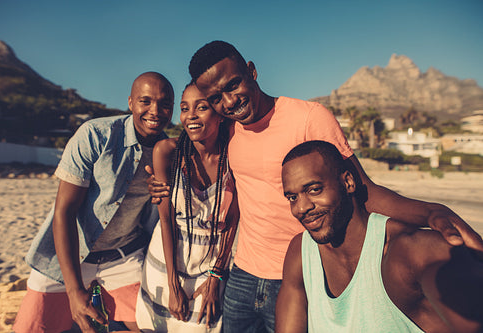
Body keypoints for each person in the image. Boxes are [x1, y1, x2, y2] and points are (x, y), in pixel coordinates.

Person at [147, 41, 483, 333]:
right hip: (243, 274)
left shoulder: (309, 117)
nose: (229, 102)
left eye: (233, 85)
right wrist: (159, 183)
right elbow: (195, 151)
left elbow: (362, 188)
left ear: (251, 71)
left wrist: (432, 212)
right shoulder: (230, 129)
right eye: (215, 98)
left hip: (299, 273)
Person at [13, 72, 174, 333]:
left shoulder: (168, 152)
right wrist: (75, 289)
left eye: (165, 103)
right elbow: (64, 212)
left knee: (151, 327)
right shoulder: (95, 135)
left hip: (124, 257)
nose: (155, 111)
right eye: (146, 101)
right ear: (131, 102)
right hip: (69, 255)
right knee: (31, 327)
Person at [276, 140, 483, 332]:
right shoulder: (301, 254)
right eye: (292, 197)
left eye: (314, 189)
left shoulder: (407, 249)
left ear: (348, 182)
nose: (301, 208)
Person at [135, 83, 239, 332]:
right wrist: (172, 285)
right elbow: (166, 220)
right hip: (166, 262)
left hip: (211, 263)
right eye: (184, 108)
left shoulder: (234, 157)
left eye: (201, 107)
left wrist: (217, 275)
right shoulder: (167, 152)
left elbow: (232, 221)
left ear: (220, 114)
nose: (190, 115)